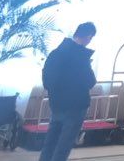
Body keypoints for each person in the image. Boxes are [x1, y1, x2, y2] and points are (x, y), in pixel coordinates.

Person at [39, 22, 97, 161]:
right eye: (91, 38)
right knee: (63, 145)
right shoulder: (80, 57)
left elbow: (46, 81)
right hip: (75, 106)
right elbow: (90, 81)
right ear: (89, 36)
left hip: (56, 104)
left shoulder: (55, 53)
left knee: (50, 142)